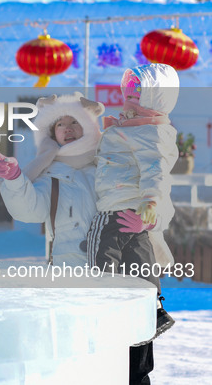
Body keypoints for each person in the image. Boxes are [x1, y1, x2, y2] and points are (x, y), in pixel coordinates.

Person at [86, 63, 180, 384]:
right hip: (135, 218)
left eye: (136, 90)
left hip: (117, 211)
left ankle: (114, 307)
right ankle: (151, 309)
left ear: (154, 97)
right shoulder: (141, 128)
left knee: (101, 265)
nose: (127, 94)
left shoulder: (147, 132)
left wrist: (150, 210)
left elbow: (157, 176)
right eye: (127, 86)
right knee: (141, 267)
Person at [0, 92, 104, 267]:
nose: (68, 128)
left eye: (75, 121)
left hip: (113, 266)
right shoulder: (51, 177)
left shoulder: (107, 166)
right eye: (60, 124)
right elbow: (28, 211)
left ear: (87, 126)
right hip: (68, 271)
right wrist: (14, 179)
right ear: (52, 134)